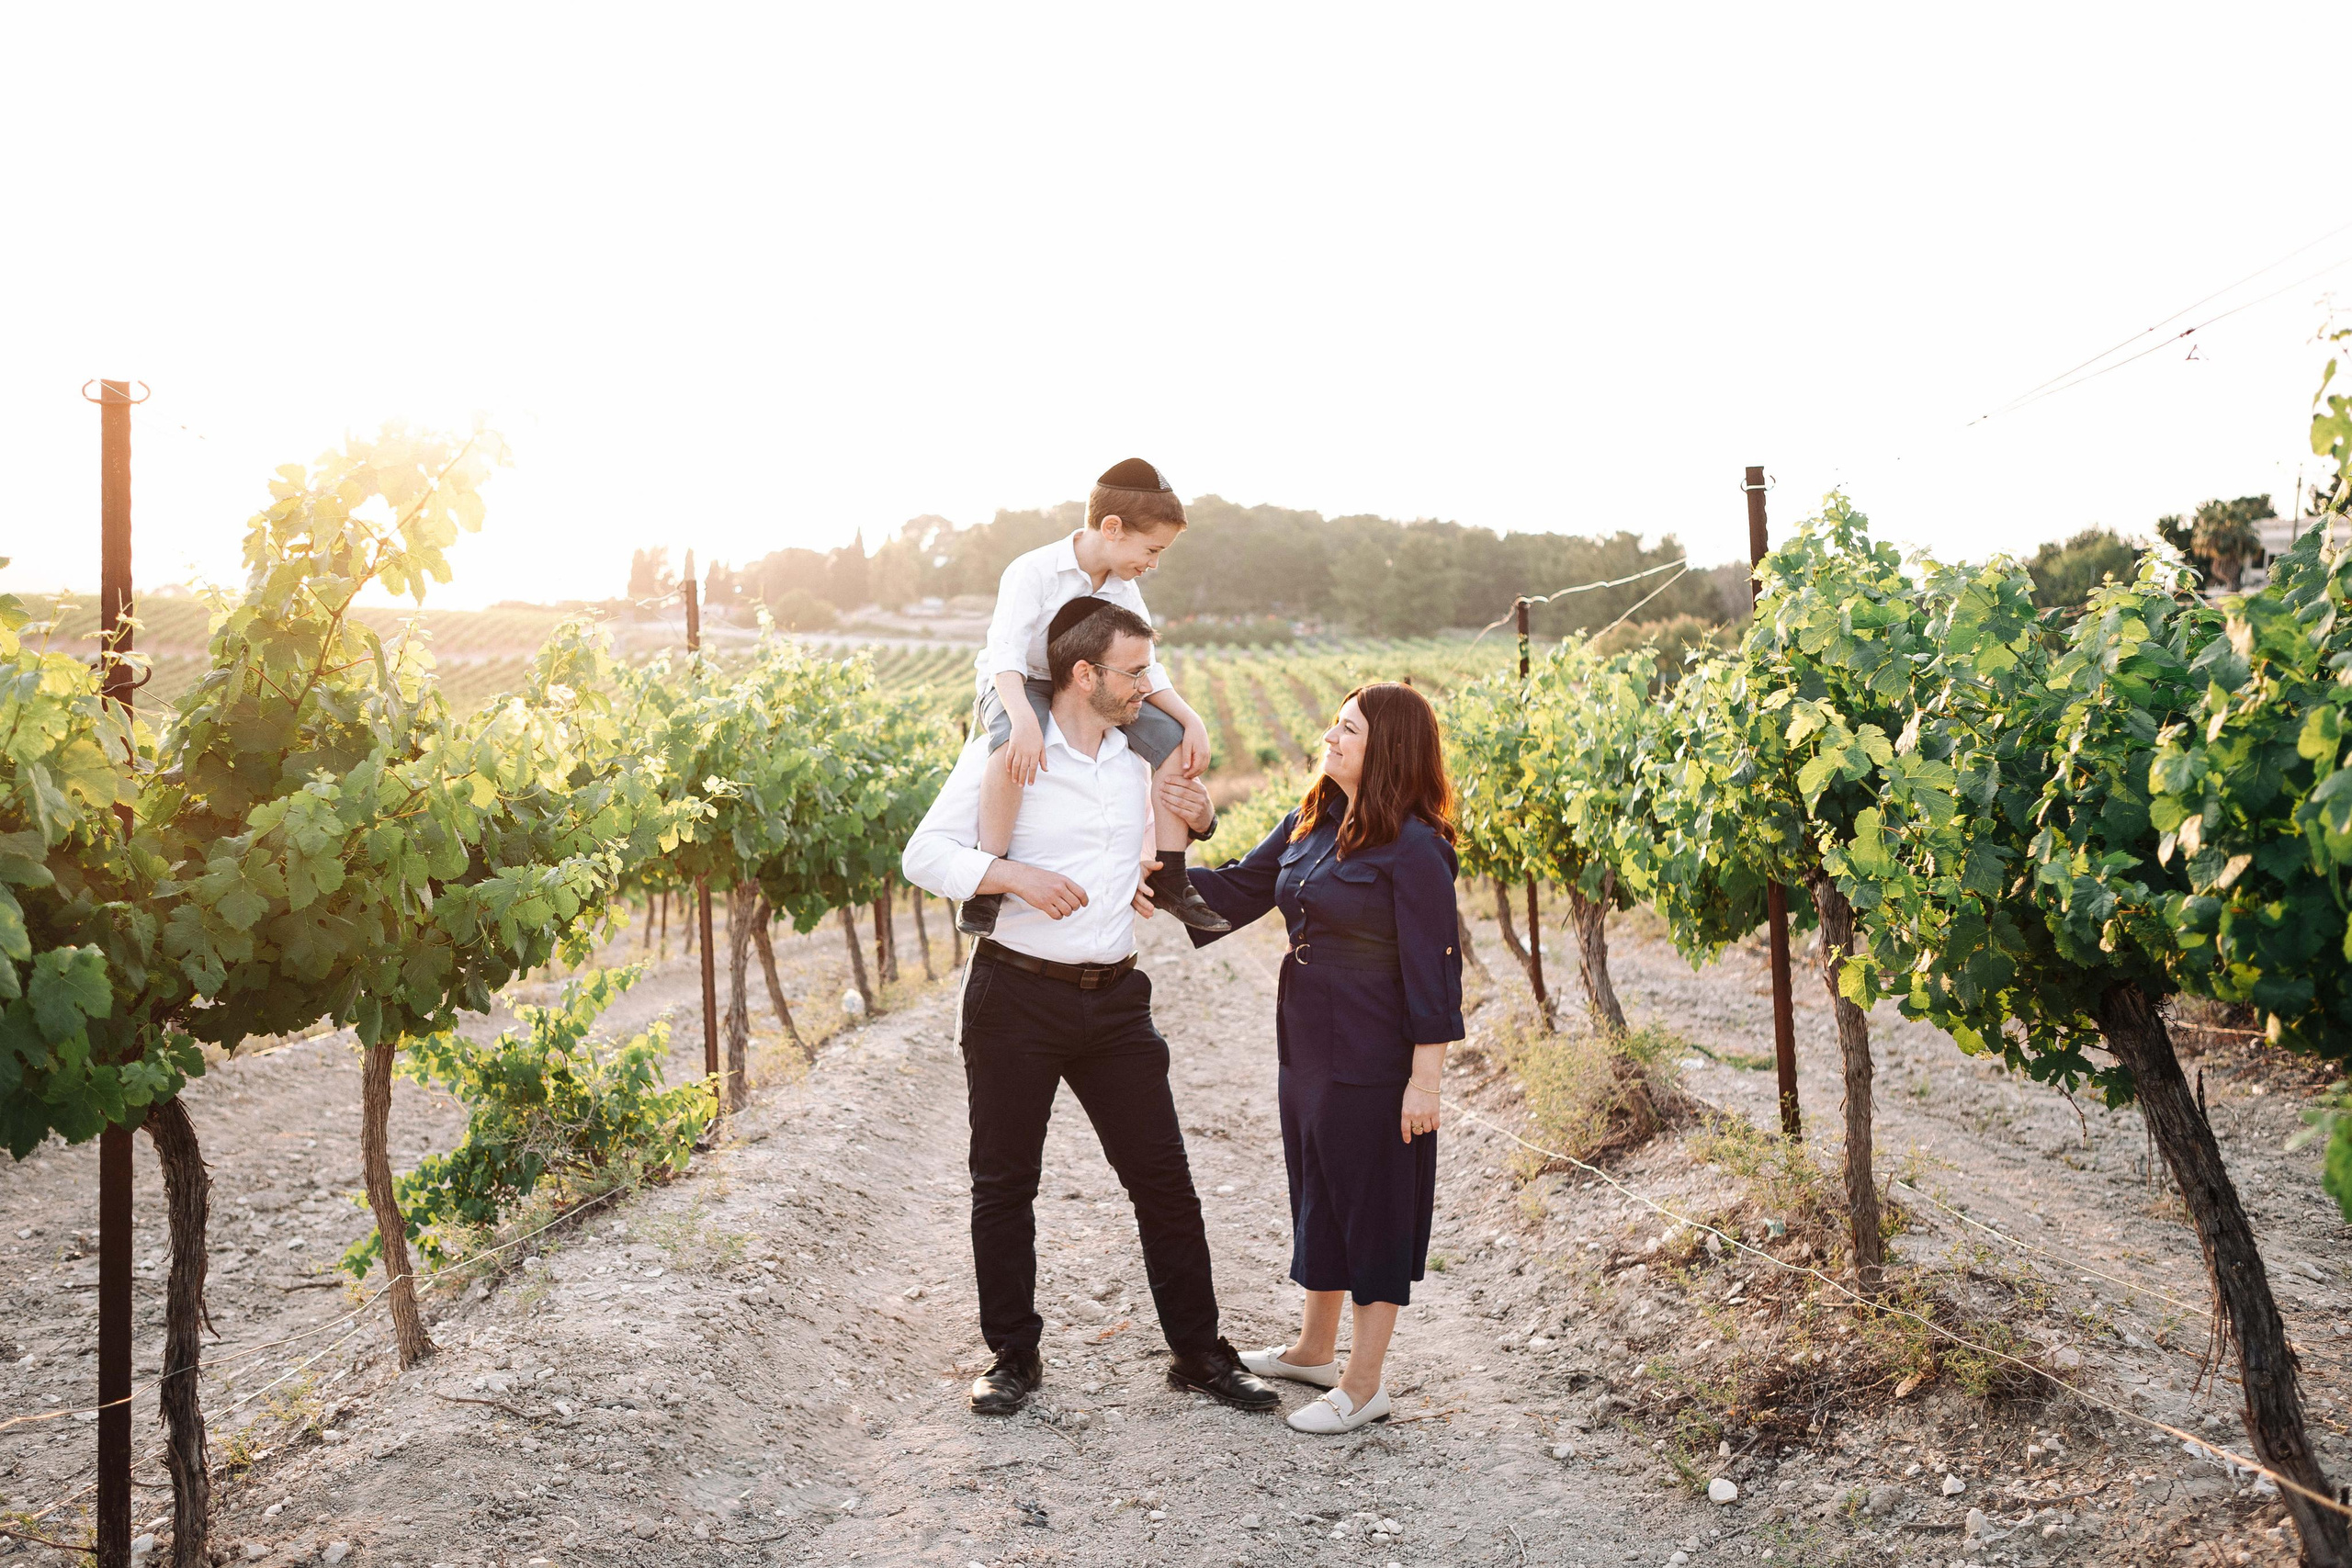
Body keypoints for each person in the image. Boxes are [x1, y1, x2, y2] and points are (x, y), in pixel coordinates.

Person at [901, 597, 1279, 1418]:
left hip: (1115, 1000)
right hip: (1014, 994)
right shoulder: (1009, 750)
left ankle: (1198, 1353)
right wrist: (1015, 877)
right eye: (1135, 672)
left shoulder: (1137, 758)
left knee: (1165, 1182)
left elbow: (1175, 835)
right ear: (1083, 674)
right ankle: (1012, 1355)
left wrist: (1193, 826)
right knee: (1004, 1183)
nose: (1151, 685)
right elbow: (922, 853)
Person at [1153, 682, 1463, 1434]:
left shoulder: (1419, 846)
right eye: (1334, 723)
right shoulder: (1311, 818)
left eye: (1348, 728)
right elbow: (1231, 892)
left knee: (1375, 1204)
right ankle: (1314, 1348)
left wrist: (1426, 1082)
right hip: (1307, 1040)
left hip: (1376, 1049)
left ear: (1387, 746)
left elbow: (1435, 972)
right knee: (1318, 1186)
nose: (1330, 735)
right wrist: (1163, 859)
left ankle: (1364, 1383)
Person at [956, 457, 1227, 938]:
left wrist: (1192, 721)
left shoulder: (1123, 588)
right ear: (1112, 527)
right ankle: (988, 882)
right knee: (1013, 745)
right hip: (1021, 682)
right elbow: (1005, 655)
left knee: (1172, 744)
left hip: (1090, 681)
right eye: (1151, 549)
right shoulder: (1034, 570)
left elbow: (1148, 664)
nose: (1153, 564)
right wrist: (1021, 720)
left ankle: (1172, 875)